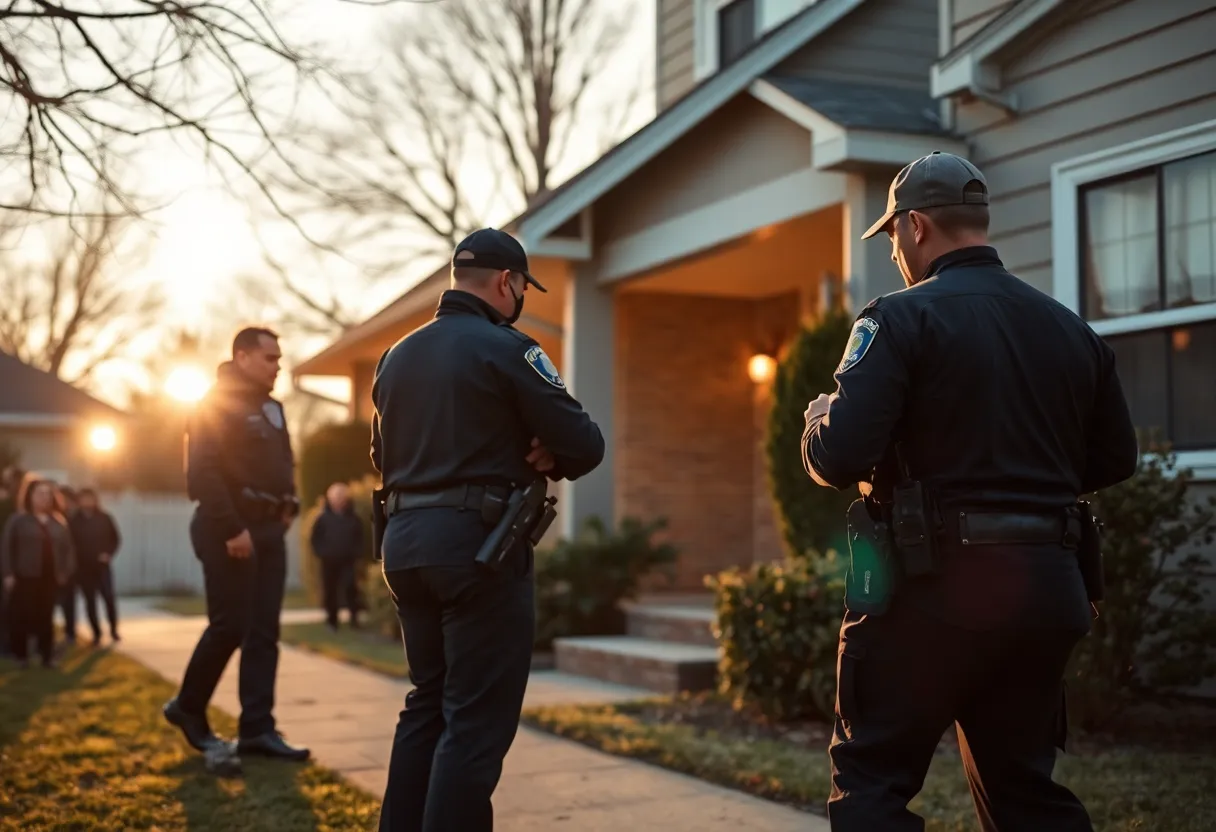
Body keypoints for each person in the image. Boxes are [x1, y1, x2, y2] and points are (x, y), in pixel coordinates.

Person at [801, 151, 1139, 832]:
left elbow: (838, 456)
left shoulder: (895, 319)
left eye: (893, 234)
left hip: (930, 592)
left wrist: (816, 418)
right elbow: (1116, 457)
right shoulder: (1071, 328)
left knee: (871, 785)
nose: (894, 250)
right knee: (1023, 793)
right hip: (1046, 589)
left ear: (916, 227)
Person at [371, 227, 605, 832]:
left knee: (427, 704)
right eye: (523, 286)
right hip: (478, 549)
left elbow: (382, 455)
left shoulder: (395, 355)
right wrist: (546, 452)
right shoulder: (509, 348)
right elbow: (583, 443)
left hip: (404, 547)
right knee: (474, 722)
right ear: (508, 282)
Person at [163, 326, 308, 777]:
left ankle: (257, 730)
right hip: (228, 530)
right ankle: (188, 706)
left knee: (264, 633)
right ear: (242, 357)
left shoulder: (273, 407)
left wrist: (290, 505)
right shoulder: (213, 403)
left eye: (279, 358)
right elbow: (202, 473)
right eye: (270, 358)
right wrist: (232, 527)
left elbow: (285, 463)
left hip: (268, 529)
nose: (277, 366)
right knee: (230, 625)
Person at [1, 475, 76, 669]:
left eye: (48, 494)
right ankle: (21, 656)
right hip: (24, 576)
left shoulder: (58, 522)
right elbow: (6, 548)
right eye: (40, 493)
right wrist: (8, 573)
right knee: (22, 617)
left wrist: (65, 572)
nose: (45, 498)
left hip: (49, 578)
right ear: (30, 496)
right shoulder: (18, 520)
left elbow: (69, 550)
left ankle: (46, 656)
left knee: (46, 616)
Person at [68, 488, 123, 646]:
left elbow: (116, 539)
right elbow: (69, 544)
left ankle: (113, 630)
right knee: (89, 601)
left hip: (102, 566)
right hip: (83, 568)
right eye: (84, 498)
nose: (87, 502)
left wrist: (108, 554)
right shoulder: (74, 521)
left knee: (109, 598)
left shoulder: (105, 518)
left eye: (90, 498)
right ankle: (96, 633)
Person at [310, 482, 365, 630]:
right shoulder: (322, 519)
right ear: (330, 499)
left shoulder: (353, 518)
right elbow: (315, 539)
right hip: (328, 561)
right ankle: (332, 621)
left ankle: (354, 618)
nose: (339, 500)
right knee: (330, 591)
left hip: (348, 560)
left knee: (351, 589)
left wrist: (356, 553)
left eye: (342, 497)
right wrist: (322, 552)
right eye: (336, 497)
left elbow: (359, 538)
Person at [56, 484, 80, 644]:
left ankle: (70, 633)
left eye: (69, 500)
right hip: (57, 567)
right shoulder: (56, 519)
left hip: (74, 568)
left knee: (69, 602)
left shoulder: (78, 519)